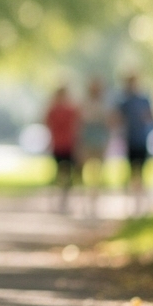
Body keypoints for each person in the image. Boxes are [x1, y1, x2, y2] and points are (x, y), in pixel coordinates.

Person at [117, 74, 153, 215]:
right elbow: (117, 119)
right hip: (130, 140)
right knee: (131, 172)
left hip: (141, 139)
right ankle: (132, 204)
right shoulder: (124, 102)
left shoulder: (143, 100)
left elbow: (151, 117)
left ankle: (141, 204)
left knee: (141, 172)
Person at [75, 77, 111, 218]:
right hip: (87, 140)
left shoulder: (105, 103)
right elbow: (79, 123)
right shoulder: (84, 103)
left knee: (99, 173)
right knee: (85, 172)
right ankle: (85, 201)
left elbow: (108, 123)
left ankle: (95, 201)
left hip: (100, 140)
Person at [45, 85, 81, 213]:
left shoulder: (70, 109)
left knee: (67, 174)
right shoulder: (54, 109)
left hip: (68, 144)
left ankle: (64, 201)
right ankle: (60, 200)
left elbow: (76, 126)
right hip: (59, 144)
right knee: (61, 173)